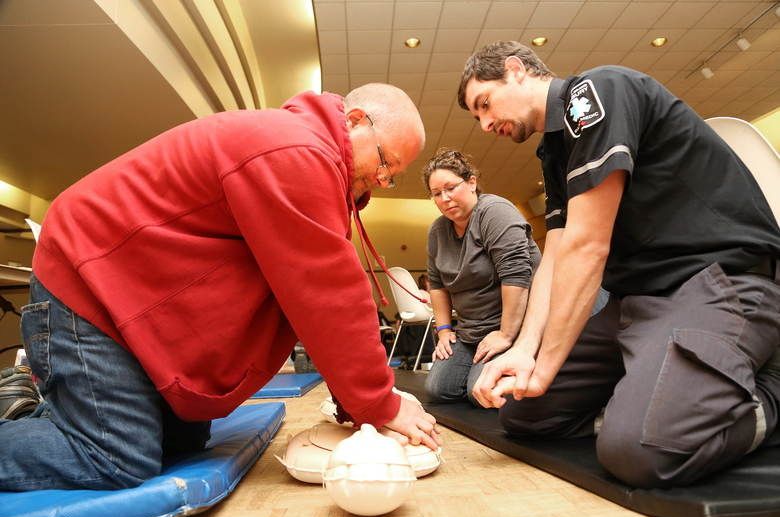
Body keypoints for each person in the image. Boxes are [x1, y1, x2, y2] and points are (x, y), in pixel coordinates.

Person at [0, 83, 442, 491]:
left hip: (125, 300)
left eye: (393, 176)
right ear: (356, 120)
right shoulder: (296, 150)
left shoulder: (302, 153)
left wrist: (358, 399)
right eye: (385, 162)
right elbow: (328, 296)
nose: (384, 181)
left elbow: (302, 294)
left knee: (183, 443)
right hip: (87, 289)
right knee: (115, 458)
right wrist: (379, 403)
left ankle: (36, 410)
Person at [460, 41, 780, 488]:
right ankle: (662, 405)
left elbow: (588, 247)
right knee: (523, 415)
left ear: (516, 70)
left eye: (485, 104)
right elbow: (555, 255)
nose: (486, 123)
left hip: (716, 285)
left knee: (637, 452)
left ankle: (763, 393)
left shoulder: (596, 92)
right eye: (477, 117)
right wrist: (524, 351)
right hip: (639, 301)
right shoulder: (554, 151)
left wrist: (546, 365)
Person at [423, 149, 540, 406]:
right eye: (436, 194)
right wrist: (443, 331)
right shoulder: (438, 231)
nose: (445, 198)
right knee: (437, 389)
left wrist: (506, 335)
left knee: (479, 394)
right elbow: (437, 284)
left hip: (511, 326)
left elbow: (517, 275)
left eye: (451, 188)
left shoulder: (495, 211)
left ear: (472, 182)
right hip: (470, 332)